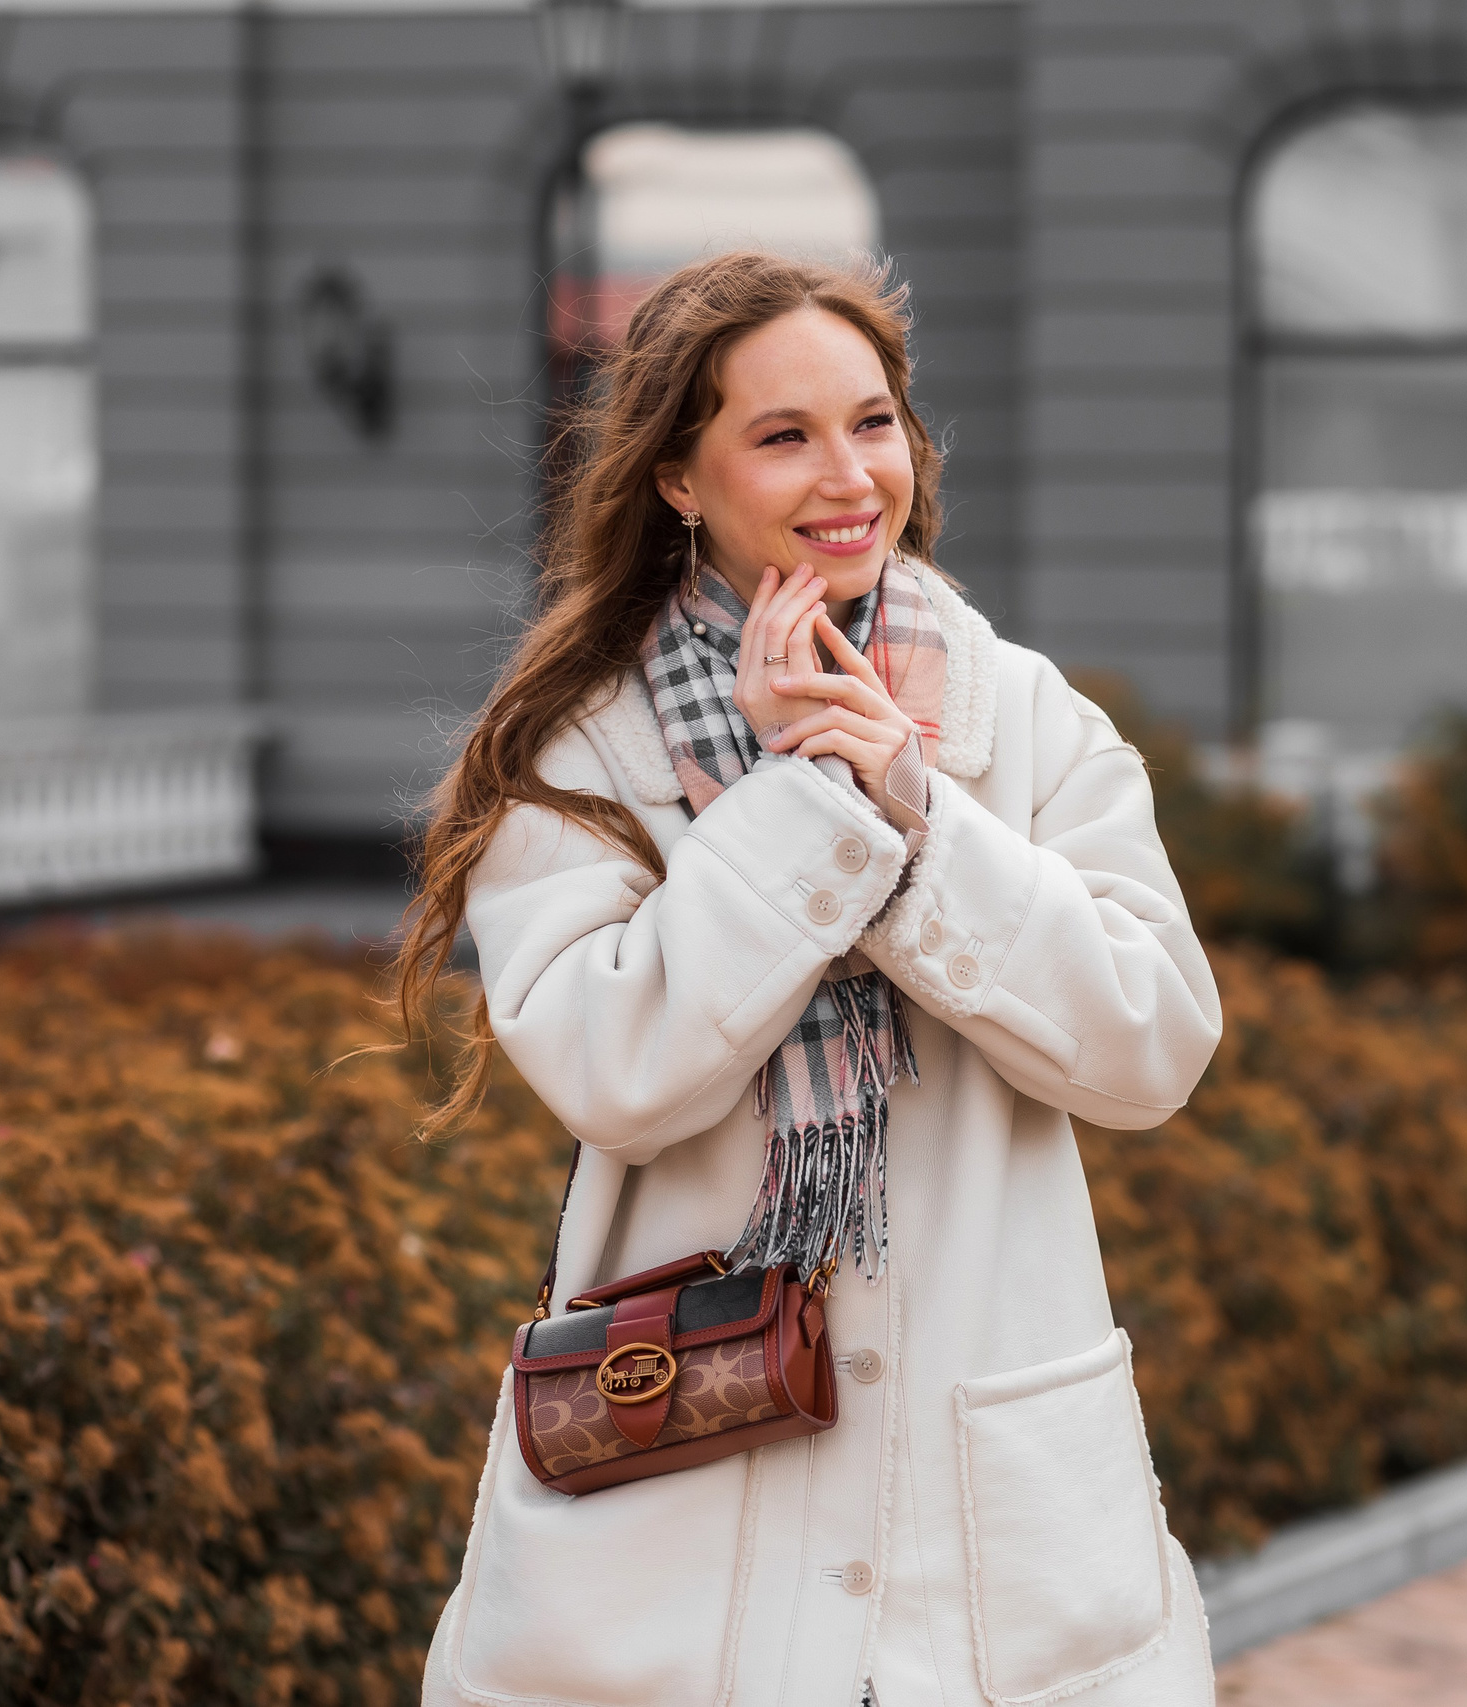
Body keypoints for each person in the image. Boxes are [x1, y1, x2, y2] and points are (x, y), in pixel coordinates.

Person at [397, 250, 1222, 1707]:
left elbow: (1148, 1046)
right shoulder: (576, 752)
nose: (849, 477)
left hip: (990, 1535)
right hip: (677, 1520)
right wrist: (804, 807)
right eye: (782, 436)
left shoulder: (1015, 715)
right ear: (677, 478)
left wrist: (907, 809)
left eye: (874, 421)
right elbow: (615, 1073)